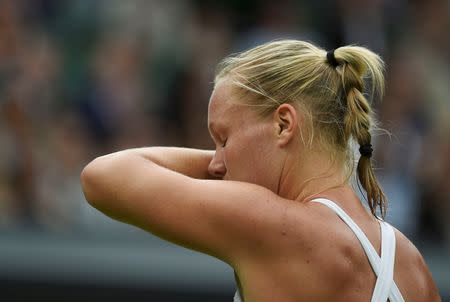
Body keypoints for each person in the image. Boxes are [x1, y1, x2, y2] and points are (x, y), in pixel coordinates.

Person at [80, 40, 441, 302]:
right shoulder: (411, 264)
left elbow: (103, 176)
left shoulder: (270, 222)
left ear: (284, 124)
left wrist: (214, 169)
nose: (216, 162)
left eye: (223, 138)